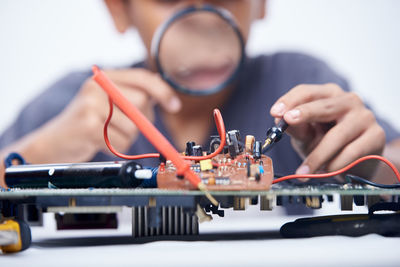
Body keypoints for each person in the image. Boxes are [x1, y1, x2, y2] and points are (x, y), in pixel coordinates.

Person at [0, 0, 399, 189]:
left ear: (262, 3)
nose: (200, 25)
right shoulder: (74, 105)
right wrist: (41, 150)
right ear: (119, 10)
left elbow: (391, 161)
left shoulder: (300, 80)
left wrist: (369, 168)